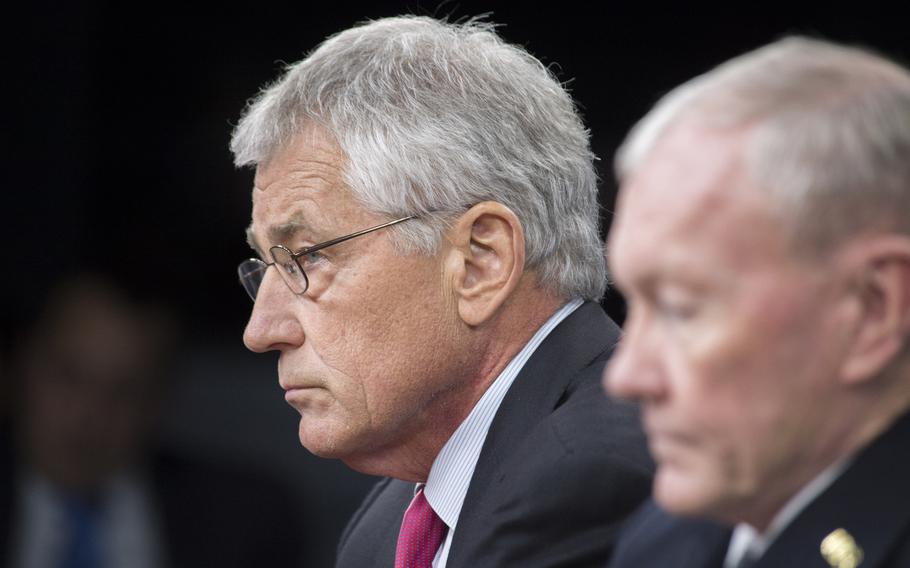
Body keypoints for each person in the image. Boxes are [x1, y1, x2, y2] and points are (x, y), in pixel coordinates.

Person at [231, 15, 652, 568]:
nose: (261, 331)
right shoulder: (384, 527)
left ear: (481, 263)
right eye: (267, 266)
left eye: (309, 256)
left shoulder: (591, 479)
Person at [604, 37, 910, 568]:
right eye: (633, 306)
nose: (626, 377)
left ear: (872, 309)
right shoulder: (664, 541)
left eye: (680, 309)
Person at [0, 274, 304, 568]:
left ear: (159, 400)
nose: (91, 414)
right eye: (68, 376)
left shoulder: (244, 519)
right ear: (16, 369)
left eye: (127, 390)